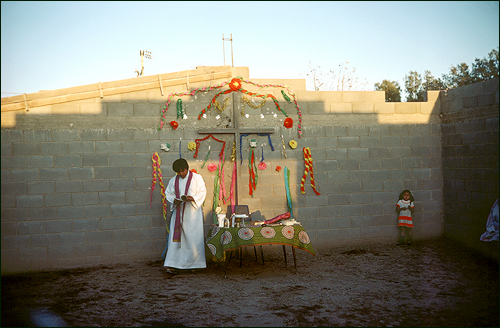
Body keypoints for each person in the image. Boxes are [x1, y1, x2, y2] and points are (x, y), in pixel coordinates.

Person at [164, 158, 207, 274]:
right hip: (178, 213)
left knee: (193, 238)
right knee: (176, 240)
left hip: (192, 214)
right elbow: (168, 193)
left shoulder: (197, 178)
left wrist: (193, 198)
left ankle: (195, 264)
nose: (181, 174)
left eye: (182, 171)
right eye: (178, 172)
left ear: (187, 168)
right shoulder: (174, 180)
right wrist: (174, 200)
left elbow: (202, 192)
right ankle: (173, 264)